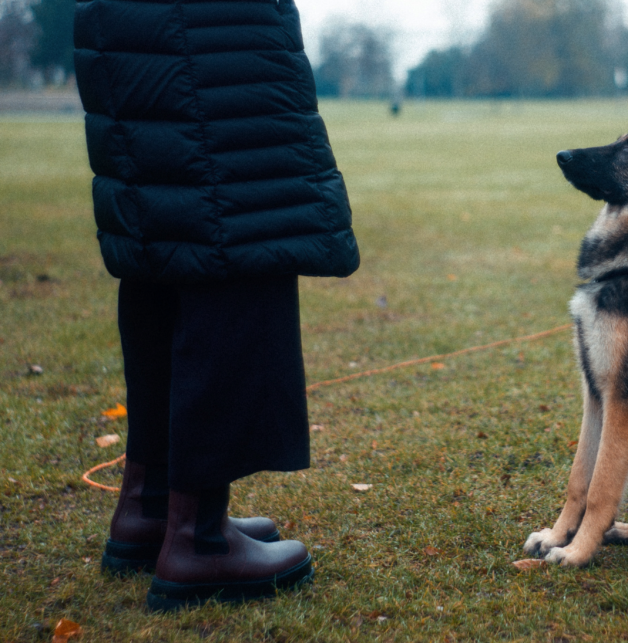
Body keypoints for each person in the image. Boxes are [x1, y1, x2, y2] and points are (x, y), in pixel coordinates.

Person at [73, 0, 359, 611]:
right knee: (243, 228)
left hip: (129, 29)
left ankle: (151, 509)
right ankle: (198, 537)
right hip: (208, 28)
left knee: (172, 230)